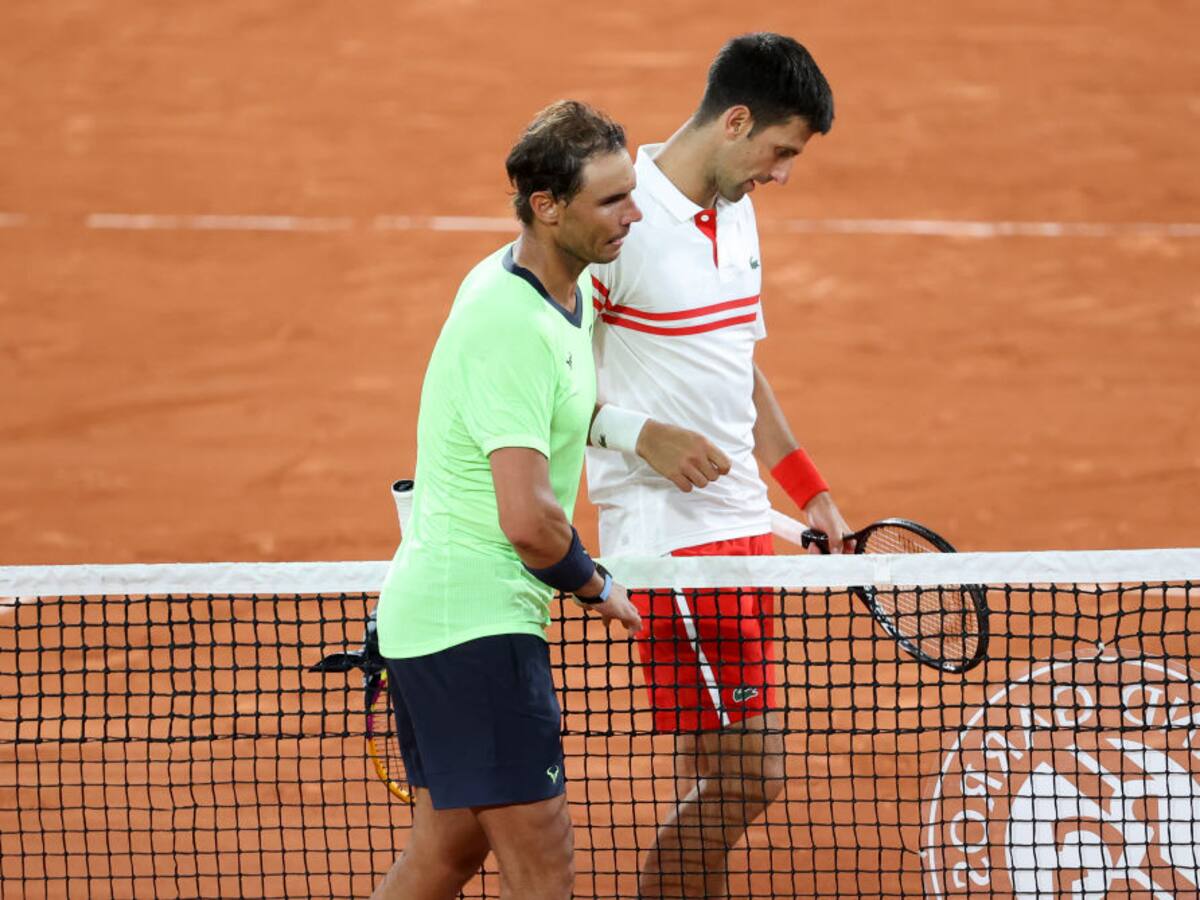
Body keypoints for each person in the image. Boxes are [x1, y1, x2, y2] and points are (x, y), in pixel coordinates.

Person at [585, 33, 854, 898]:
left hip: (742, 532)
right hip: (674, 546)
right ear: (735, 121)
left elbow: (742, 367)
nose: (780, 175)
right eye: (779, 152)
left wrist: (808, 491)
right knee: (751, 777)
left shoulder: (736, 212)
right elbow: (535, 390)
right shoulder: (617, 220)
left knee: (711, 778)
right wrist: (640, 436)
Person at [370, 100, 647, 900]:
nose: (632, 215)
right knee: (545, 870)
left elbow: (548, 410)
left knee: (445, 854)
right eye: (611, 200)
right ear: (546, 206)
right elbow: (526, 523)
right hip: (475, 626)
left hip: (452, 619)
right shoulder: (509, 322)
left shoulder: (566, 291)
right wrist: (596, 587)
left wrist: (635, 433)